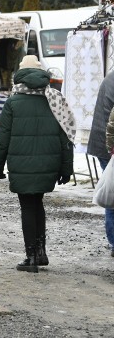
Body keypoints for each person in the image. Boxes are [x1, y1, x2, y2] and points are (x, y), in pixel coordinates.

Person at [0, 55, 75, 273]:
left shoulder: (13, 101)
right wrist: (67, 168)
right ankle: (41, 252)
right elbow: (66, 135)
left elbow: (3, 137)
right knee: (38, 204)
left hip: (22, 165)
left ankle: (31, 257)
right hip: (49, 163)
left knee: (28, 206)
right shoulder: (54, 98)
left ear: (20, 75)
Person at [88, 70, 114, 258]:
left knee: (112, 194)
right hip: (109, 146)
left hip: (103, 143)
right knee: (112, 194)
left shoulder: (110, 78)